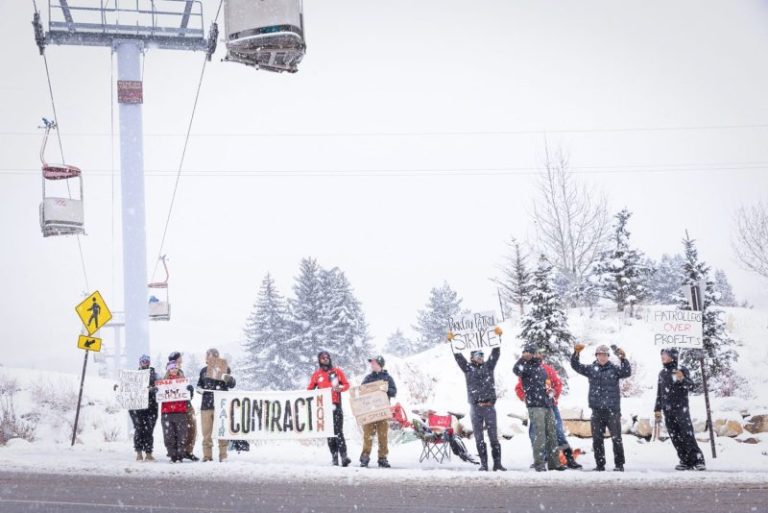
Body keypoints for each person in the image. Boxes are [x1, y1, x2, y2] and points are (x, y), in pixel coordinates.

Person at [515, 353, 582, 469]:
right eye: (535, 355)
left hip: (551, 406)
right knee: (534, 434)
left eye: (539, 355)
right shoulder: (526, 370)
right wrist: (524, 398)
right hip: (536, 407)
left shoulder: (547, 369)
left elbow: (558, 384)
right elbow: (518, 388)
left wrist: (554, 393)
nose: (537, 357)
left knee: (558, 433)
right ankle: (540, 459)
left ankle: (569, 458)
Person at [571, 343, 631, 472]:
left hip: (612, 410)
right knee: (597, 440)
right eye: (600, 354)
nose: (602, 357)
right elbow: (576, 366)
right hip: (596, 410)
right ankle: (600, 465)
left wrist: (623, 358)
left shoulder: (614, 369)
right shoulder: (591, 369)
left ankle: (619, 465)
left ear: (608, 356)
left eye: (604, 355)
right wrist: (576, 354)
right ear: (596, 356)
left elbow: (627, 371)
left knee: (616, 439)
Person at [451, 341, 505, 471]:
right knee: (479, 437)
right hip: (475, 408)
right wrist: (453, 343)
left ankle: (497, 464)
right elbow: (459, 358)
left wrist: (497, 339)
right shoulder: (468, 368)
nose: (480, 357)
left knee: (493, 437)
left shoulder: (489, 366)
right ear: (472, 357)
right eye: (477, 355)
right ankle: (484, 464)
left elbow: (495, 353)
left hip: (490, 407)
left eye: (482, 354)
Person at [513, 344, 565, 472]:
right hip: (535, 406)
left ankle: (554, 463)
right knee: (539, 435)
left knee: (552, 435)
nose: (539, 354)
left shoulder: (542, 368)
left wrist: (550, 391)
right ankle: (539, 464)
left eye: (539, 352)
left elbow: (547, 385)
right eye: (536, 352)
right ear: (531, 354)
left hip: (548, 405)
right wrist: (523, 359)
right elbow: (516, 370)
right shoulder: (525, 367)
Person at [654, 348, 706, 471]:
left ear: (672, 356)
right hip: (668, 410)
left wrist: (682, 378)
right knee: (675, 436)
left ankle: (698, 460)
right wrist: (657, 409)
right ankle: (685, 460)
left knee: (687, 435)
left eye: (665, 354)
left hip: (681, 409)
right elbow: (659, 393)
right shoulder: (662, 373)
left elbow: (691, 386)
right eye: (662, 354)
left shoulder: (681, 369)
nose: (662, 356)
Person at [308, 350, 352, 467]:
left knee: (338, 431)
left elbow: (347, 384)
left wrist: (341, 389)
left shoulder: (336, 371)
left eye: (327, 357)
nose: (325, 359)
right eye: (323, 358)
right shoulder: (317, 375)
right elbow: (309, 390)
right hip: (323, 407)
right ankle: (334, 457)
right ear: (319, 360)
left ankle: (344, 456)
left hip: (336, 405)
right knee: (329, 432)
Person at [198, 348, 236, 463]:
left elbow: (232, 384)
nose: (211, 358)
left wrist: (228, 378)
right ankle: (207, 456)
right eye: (209, 356)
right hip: (206, 406)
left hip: (221, 406)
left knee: (222, 431)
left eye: (214, 356)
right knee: (206, 433)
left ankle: (223, 455)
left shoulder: (225, 369)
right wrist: (200, 390)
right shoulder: (203, 371)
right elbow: (199, 386)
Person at [359, 355, 397, 468]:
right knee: (367, 436)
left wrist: (387, 390)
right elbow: (361, 392)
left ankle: (382, 458)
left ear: (379, 364)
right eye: (371, 363)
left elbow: (394, 392)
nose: (371, 365)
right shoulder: (367, 378)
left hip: (383, 411)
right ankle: (364, 458)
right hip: (369, 412)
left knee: (383, 436)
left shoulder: (388, 378)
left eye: (374, 363)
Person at [161, 361, 195, 462]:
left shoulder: (183, 382)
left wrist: (190, 390)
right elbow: (158, 398)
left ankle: (180, 455)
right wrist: (156, 392)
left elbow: (189, 397)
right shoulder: (163, 382)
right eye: (172, 368)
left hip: (180, 411)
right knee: (169, 436)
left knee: (181, 434)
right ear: (168, 370)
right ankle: (172, 455)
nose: (174, 370)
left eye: (175, 368)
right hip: (167, 412)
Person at [169, 351, 199, 461]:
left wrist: (189, 390)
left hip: (186, 404)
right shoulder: (169, 374)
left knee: (192, 427)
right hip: (176, 407)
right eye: (179, 359)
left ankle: (188, 451)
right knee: (179, 430)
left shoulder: (181, 372)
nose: (181, 361)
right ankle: (177, 452)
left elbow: (184, 389)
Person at [128, 354, 159, 462]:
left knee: (149, 430)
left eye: (147, 361)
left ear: (149, 363)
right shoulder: (133, 376)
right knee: (139, 429)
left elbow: (162, 387)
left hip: (151, 407)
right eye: (143, 361)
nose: (145, 363)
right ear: (139, 363)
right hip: (137, 407)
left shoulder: (155, 375)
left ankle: (149, 453)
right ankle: (139, 452)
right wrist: (118, 387)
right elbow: (126, 387)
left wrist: (155, 389)